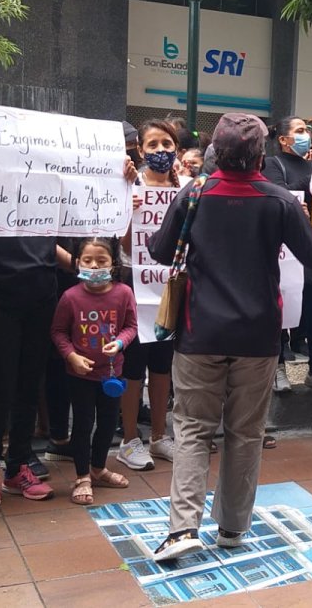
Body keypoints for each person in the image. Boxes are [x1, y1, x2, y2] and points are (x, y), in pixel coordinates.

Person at [146, 113, 312, 561]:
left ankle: (183, 528)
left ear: (214, 152)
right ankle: (232, 528)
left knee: (191, 431)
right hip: (259, 338)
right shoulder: (279, 201)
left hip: (198, 333)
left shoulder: (194, 194)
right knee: (245, 433)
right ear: (261, 153)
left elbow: (162, 251)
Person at [0, 150, 75, 509]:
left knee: (29, 385)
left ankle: (18, 466)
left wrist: (79, 265)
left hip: (41, 298)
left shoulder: (48, 189)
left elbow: (46, 243)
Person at [51, 238, 138, 504]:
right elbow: (58, 332)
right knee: (82, 423)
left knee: (109, 423)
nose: (94, 266)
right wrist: (71, 356)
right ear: (77, 263)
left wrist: (121, 342)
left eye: (101, 261)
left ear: (113, 264)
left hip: (112, 374)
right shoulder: (70, 297)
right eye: (87, 261)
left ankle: (98, 468)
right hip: (80, 375)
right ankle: (81, 476)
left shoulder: (124, 293)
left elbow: (131, 326)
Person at [118, 120, 180, 466]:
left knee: (162, 363)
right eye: (153, 145)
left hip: (171, 283)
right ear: (140, 150)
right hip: (133, 281)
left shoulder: (184, 186)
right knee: (132, 365)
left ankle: (159, 436)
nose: (161, 151)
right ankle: (129, 439)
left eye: (167, 144)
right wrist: (132, 210)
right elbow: (124, 241)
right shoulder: (132, 186)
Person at [262, 116, 312, 398]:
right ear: (283, 139)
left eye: (307, 131)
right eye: (299, 131)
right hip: (283, 252)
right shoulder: (272, 165)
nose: (305, 135)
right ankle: (278, 367)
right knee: (282, 307)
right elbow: (278, 197)